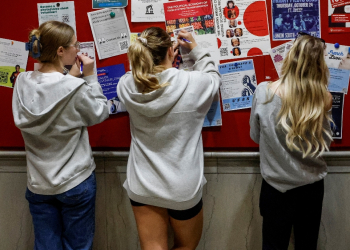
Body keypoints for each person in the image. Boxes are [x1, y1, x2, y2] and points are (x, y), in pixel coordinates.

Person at [117, 27, 221, 250]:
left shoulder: (126, 86)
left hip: (143, 184)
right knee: (186, 245)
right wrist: (196, 50)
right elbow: (213, 78)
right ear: (171, 53)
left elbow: (134, 74)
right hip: (182, 187)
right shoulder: (194, 83)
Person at [12, 21, 109, 250]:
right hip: (75, 180)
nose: (78, 49)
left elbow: (50, 90)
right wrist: (90, 77)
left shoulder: (22, 82)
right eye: (74, 45)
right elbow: (100, 112)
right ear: (60, 51)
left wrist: (71, 78)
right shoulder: (75, 88)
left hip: (38, 184)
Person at [249, 33, 333, 249]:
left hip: (276, 188)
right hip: (311, 187)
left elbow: (255, 136)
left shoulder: (263, 92)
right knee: (307, 245)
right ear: (319, 63)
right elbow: (325, 144)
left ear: (290, 56)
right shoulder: (324, 97)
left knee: (273, 245)